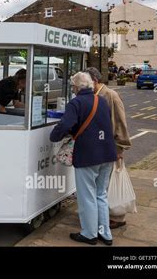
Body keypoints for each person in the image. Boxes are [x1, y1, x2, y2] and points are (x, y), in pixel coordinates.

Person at [50, 72, 117, 245]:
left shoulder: (76, 102)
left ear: (78, 87)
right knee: (101, 194)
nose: (72, 89)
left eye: (73, 86)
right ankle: (105, 233)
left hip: (88, 154)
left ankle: (89, 234)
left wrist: (54, 136)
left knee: (86, 195)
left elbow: (65, 124)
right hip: (107, 153)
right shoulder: (101, 100)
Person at [85, 67, 132, 229]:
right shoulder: (93, 95)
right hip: (98, 147)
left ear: (95, 80)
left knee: (111, 183)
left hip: (110, 147)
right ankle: (104, 215)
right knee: (102, 185)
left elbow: (120, 122)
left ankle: (118, 217)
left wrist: (120, 148)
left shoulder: (110, 95)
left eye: (86, 81)